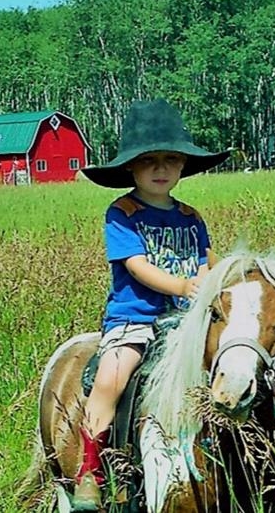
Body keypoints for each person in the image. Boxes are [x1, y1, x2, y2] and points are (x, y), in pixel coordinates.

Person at [73, 98, 229, 507]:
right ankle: (88, 471)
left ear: (183, 166)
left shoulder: (191, 216)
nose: (161, 170)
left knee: (234, 368)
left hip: (185, 319)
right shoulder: (122, 212)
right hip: (135, 318)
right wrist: (180, 287)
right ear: (131, 168)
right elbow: (137, 265)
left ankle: (238, 459)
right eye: (150, 161)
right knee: (110, 380)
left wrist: (203, 284)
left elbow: (203, 263)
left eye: (171, 160)